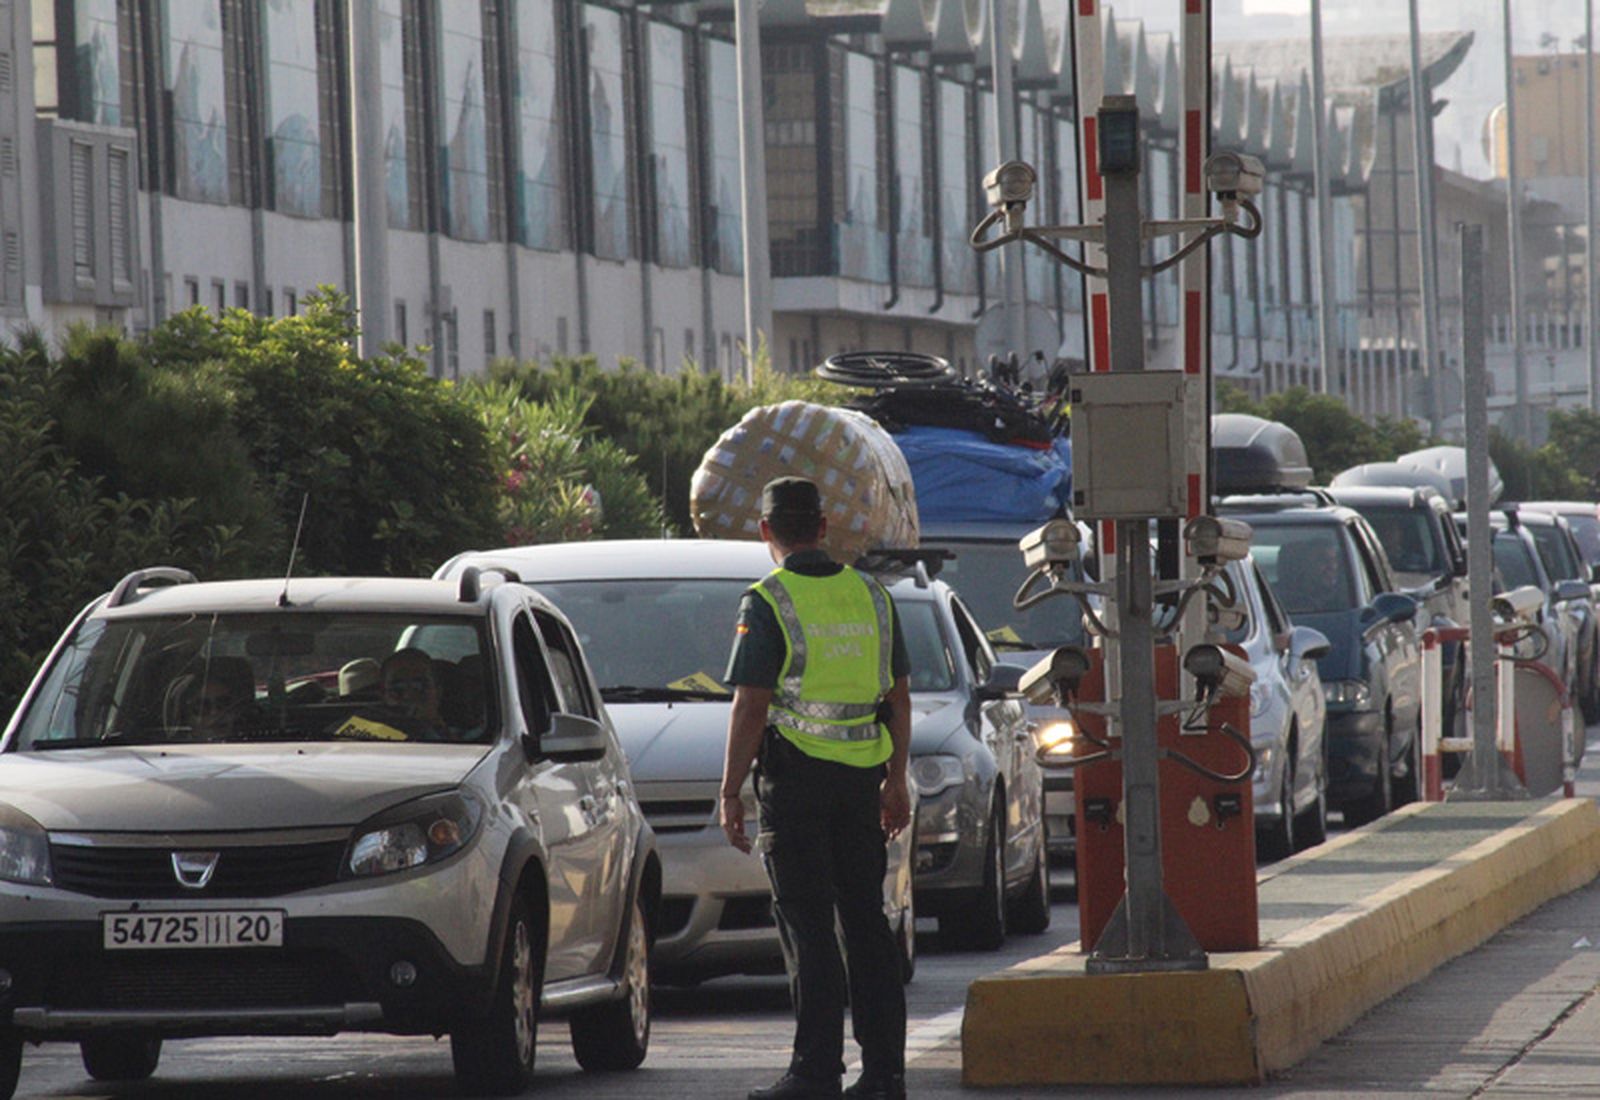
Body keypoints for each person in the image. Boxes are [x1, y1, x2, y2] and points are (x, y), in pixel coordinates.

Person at [720, 477, 913, 1100]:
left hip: (797, 782)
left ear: (766, 531)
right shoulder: (874, 596)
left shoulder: (768, 600)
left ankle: (815, 1073)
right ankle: (885, 1074)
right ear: (824, 529)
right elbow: (898, 697)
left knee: (808, 927)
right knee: (866, 923)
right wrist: (896, 779)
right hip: (861, 782)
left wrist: (729, 792)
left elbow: (751, 705)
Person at [378, 648, 452, 741]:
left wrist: (435, 727)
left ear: (438, 692)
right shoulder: (364, 735)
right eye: (397, 687)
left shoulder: (470, 743)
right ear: (383, 695)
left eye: (419, 686)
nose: (408, 696)